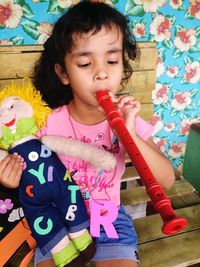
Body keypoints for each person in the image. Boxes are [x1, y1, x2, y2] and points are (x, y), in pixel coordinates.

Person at [0, 1, 175, 267]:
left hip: (109, 219)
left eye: (112, 60)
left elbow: (167, 180)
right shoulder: (46, 123)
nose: (102, 72)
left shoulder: (128, 119)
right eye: (84, 63)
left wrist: (131, 135)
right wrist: (10, 180)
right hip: (57, 223)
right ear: (63, 73)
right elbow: (26, 169)